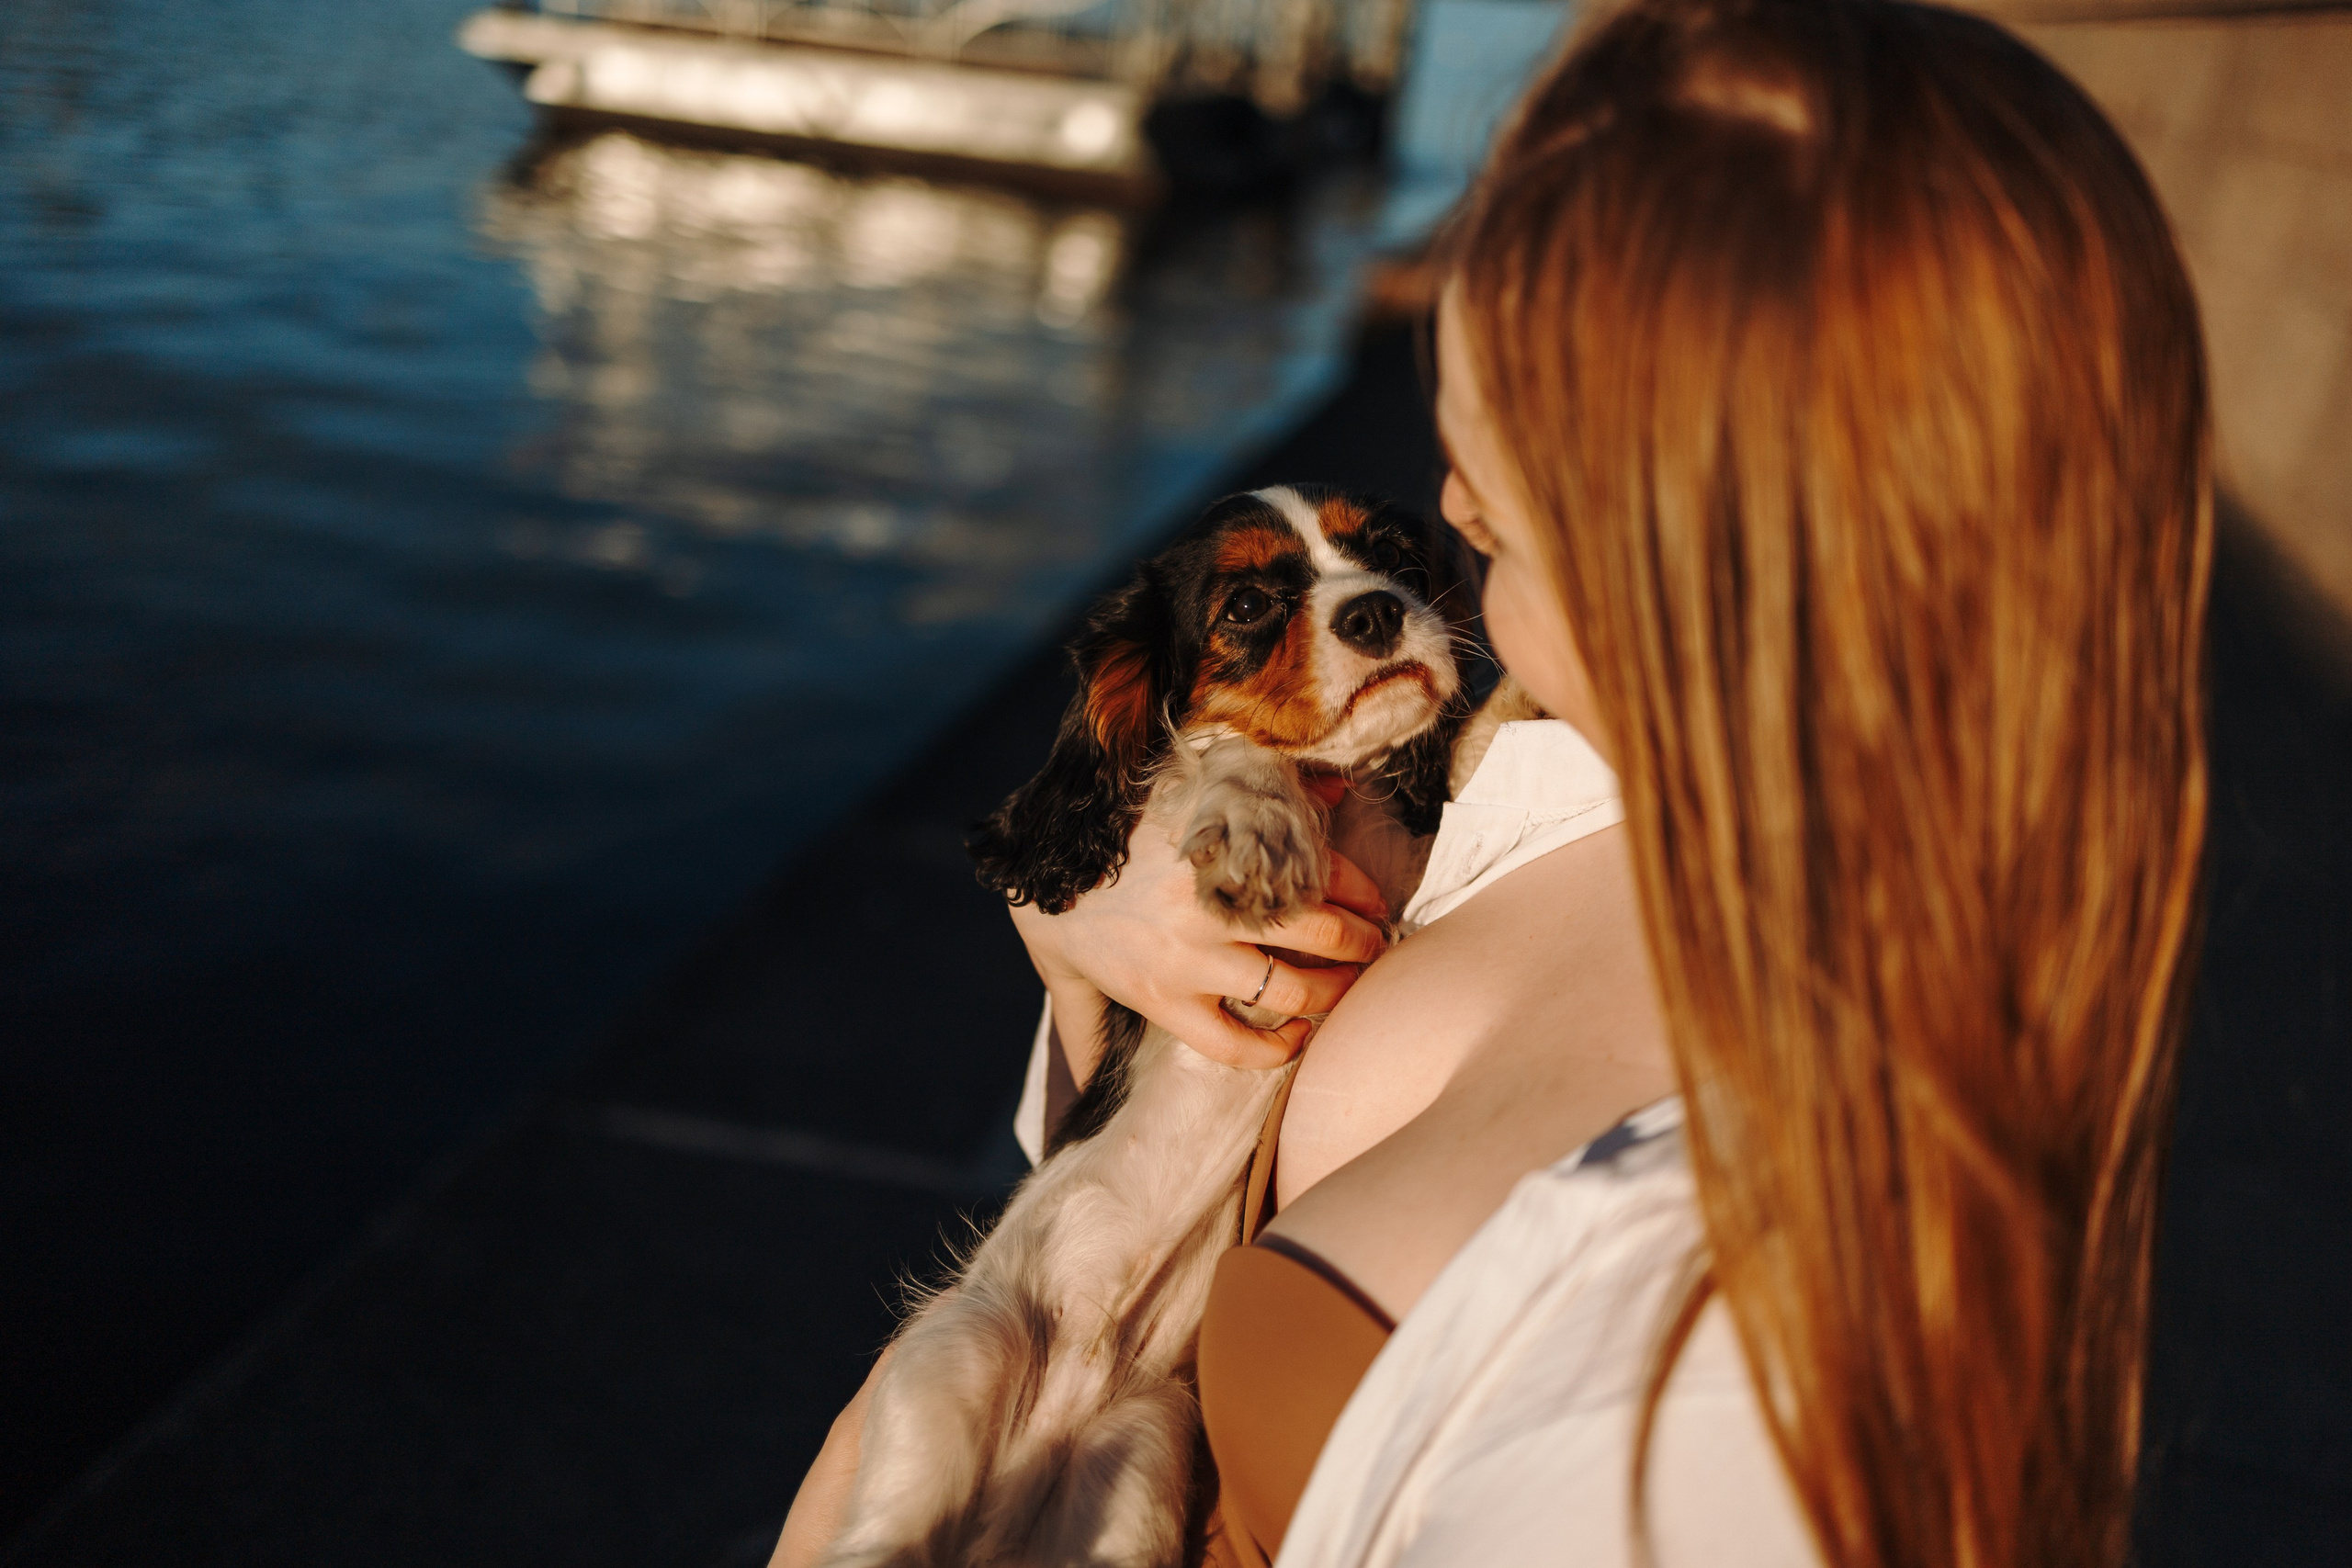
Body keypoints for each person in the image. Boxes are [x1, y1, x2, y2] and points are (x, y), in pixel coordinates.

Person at [776, 1, 2211, 1564]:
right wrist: (1090, 938)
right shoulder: (1531, 774)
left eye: (1493, 457)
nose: (1445, 500)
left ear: (1700, 519)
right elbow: (1115, 1178)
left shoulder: (1733, 1353)